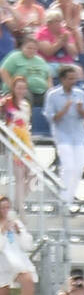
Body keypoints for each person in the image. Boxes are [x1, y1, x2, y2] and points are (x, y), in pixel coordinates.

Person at [43, 64, 84, 206]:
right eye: (70, 79)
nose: (74, 81)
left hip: (78, 135)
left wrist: (80, 110)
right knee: (69, 166)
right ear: (62, 79)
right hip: (62, 136)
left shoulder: (81, 94)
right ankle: (63, 197)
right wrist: (64, 110)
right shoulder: (52, 95)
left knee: (78, 168)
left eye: (75, 78)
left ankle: (69, 200)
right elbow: (51, 118)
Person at [0, 194, 37, 295]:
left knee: (28, 279)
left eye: (7, 207)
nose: (5, 211)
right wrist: (3, 231)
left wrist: (19, 232)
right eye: (2, 208)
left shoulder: (15, 222)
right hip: (2, 264)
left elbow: (28, 245)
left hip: (17, 262)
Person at [1, 75, 34, 205]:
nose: (21, 91)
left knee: (32, 176)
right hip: (14, 142)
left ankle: (17, 202)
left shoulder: (26, 104)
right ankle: (20, 209)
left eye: (23, 88)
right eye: (18, 88)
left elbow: (27, 124)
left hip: (26, 142)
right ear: (13, 88)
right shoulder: (6, 102)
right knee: (19, 177)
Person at [0, 34, 52, 106]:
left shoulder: (40, 60)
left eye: (34, 49)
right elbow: (3, 71)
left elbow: (48, 76)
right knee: (25, 96)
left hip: (41, 91)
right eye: (29, 48)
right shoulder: (15, 56)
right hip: (21, 91)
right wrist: (13, 88)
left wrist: (50, 90)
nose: (31, 50)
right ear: (22, 47)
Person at [35, 7, 80, 72]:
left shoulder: (65, 33)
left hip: (66, 63)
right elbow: (48, 52)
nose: (60, 24)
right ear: (49, 23)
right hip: (49, 63)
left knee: (78, 70)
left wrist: (66, 44)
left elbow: (74, 53)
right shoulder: (42, 34)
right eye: (57, 21)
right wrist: (60, 42)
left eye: (60, 21)